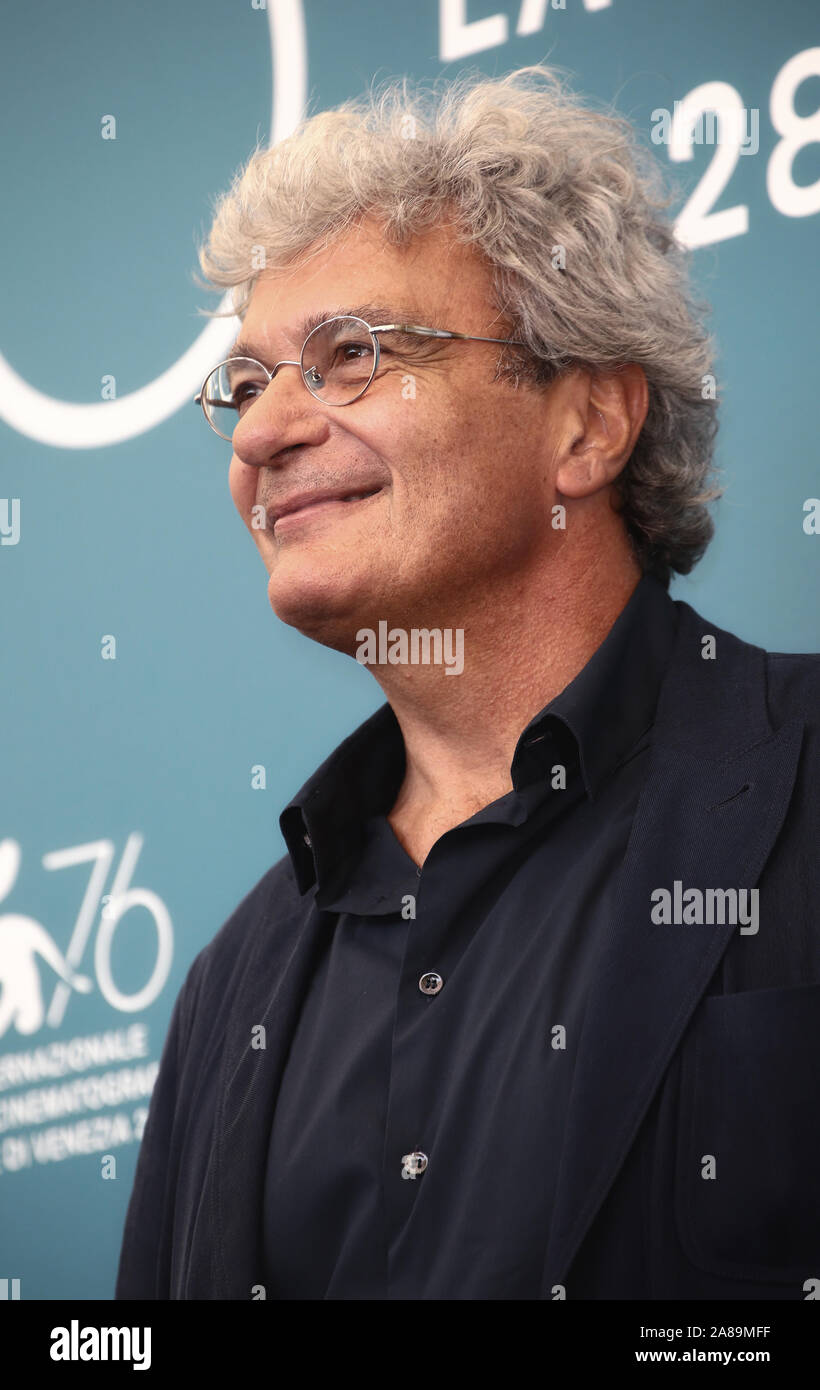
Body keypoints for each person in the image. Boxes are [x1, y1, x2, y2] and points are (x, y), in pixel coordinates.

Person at [115, 65, 820, 1300]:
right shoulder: (232, 982)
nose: (257, 434)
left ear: (587, 425)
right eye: (245, 382)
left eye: (349, 354)